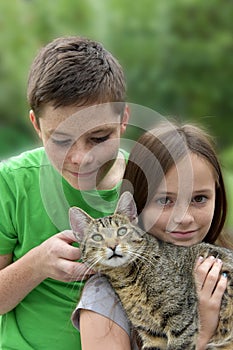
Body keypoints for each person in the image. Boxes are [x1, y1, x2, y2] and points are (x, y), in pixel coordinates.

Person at [0, 36, 130, 350]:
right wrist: (37, 264)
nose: (81, 158)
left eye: (99, 137)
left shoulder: (152, 183)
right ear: (36, 125)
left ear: (124, 118)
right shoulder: (13, 182)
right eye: (60, 141)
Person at [72, 121, 229, 350]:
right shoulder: (102, 299)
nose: (183, 218)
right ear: (138, 206)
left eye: (199, 198)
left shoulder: (215, 256)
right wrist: (202, 334)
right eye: (165, 200)